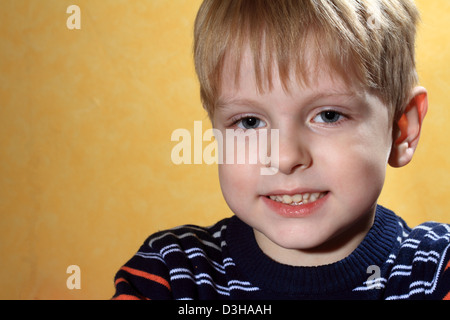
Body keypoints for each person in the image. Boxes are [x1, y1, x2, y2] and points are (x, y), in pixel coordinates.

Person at [112, 0, 450, 300]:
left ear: (401, 128)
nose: (285, 157)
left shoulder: (436, 271)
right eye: (249, 122)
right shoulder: (171, 275)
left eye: (328, 116)